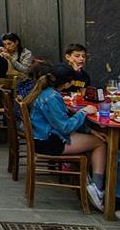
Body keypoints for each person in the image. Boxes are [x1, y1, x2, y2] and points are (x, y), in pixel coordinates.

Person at [25, 61, 106, 210]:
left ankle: (89, 182)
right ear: (68, 83)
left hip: (42, 138)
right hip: (49, 142)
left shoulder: (46, 92)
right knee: (100, 143)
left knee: (96, 138)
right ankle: (98, 189)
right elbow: (65, 127)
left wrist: (89, 130)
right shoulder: (52, 97)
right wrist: (84, 112)